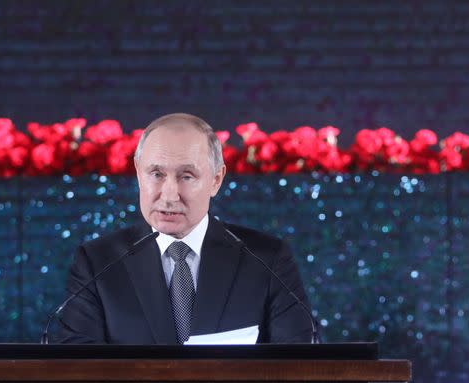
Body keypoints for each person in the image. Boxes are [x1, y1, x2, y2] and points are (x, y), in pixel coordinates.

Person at [56, 113, 314, 344]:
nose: (169, 195)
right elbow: (77, 372)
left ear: (216, 180)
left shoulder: (267, 260)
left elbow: (300, 365)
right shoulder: (96, 263)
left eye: (186, 176)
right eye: (156, 174)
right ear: (138, 173)